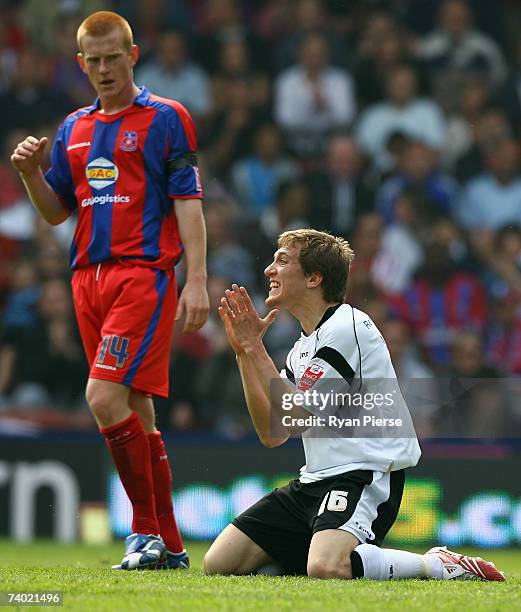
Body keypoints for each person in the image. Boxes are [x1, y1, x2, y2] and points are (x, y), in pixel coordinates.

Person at [10, 11, 209, 570]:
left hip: (141, 276)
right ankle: (170, 547)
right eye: (92, 61)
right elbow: (55, 213)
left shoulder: (167, 118)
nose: (102, 69)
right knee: (137, 413)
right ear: (80, 63)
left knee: (101, 399)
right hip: (85, 281)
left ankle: (143, 532)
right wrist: (30, 174)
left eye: (112, 58)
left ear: (133, 55)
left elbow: (188, 204)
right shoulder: (73, 128)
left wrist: (196, 279)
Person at [203, 229, 504, 582]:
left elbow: (297, 417)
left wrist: (256, 349)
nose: (269, 270)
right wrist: (244, 352)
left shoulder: (349, 327)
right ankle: (310, 552)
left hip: (363, 474)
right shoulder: (301, 350)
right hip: (313, 480)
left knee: (326, 567)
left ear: (314, 278)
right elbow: (274, 434)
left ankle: (434, 564)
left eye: (282, 261)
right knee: (220, 563)